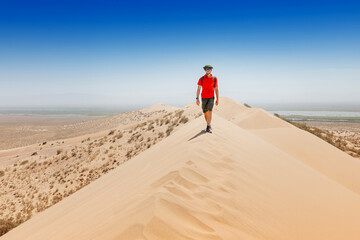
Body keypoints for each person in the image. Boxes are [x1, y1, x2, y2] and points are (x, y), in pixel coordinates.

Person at [196, 65, 219, 133]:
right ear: (205, 70)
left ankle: (208, 127)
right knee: (205, 112)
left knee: (210, 111)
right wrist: (197, 98)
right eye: (206, 69)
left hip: (211, 97)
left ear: (211, 70)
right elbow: (199, 89)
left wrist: (217, 99)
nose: (208, 70)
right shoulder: (201, 79)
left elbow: (216, 89)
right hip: (203, 98)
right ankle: (209, 124)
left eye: (209, 68)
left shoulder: (214, 78)